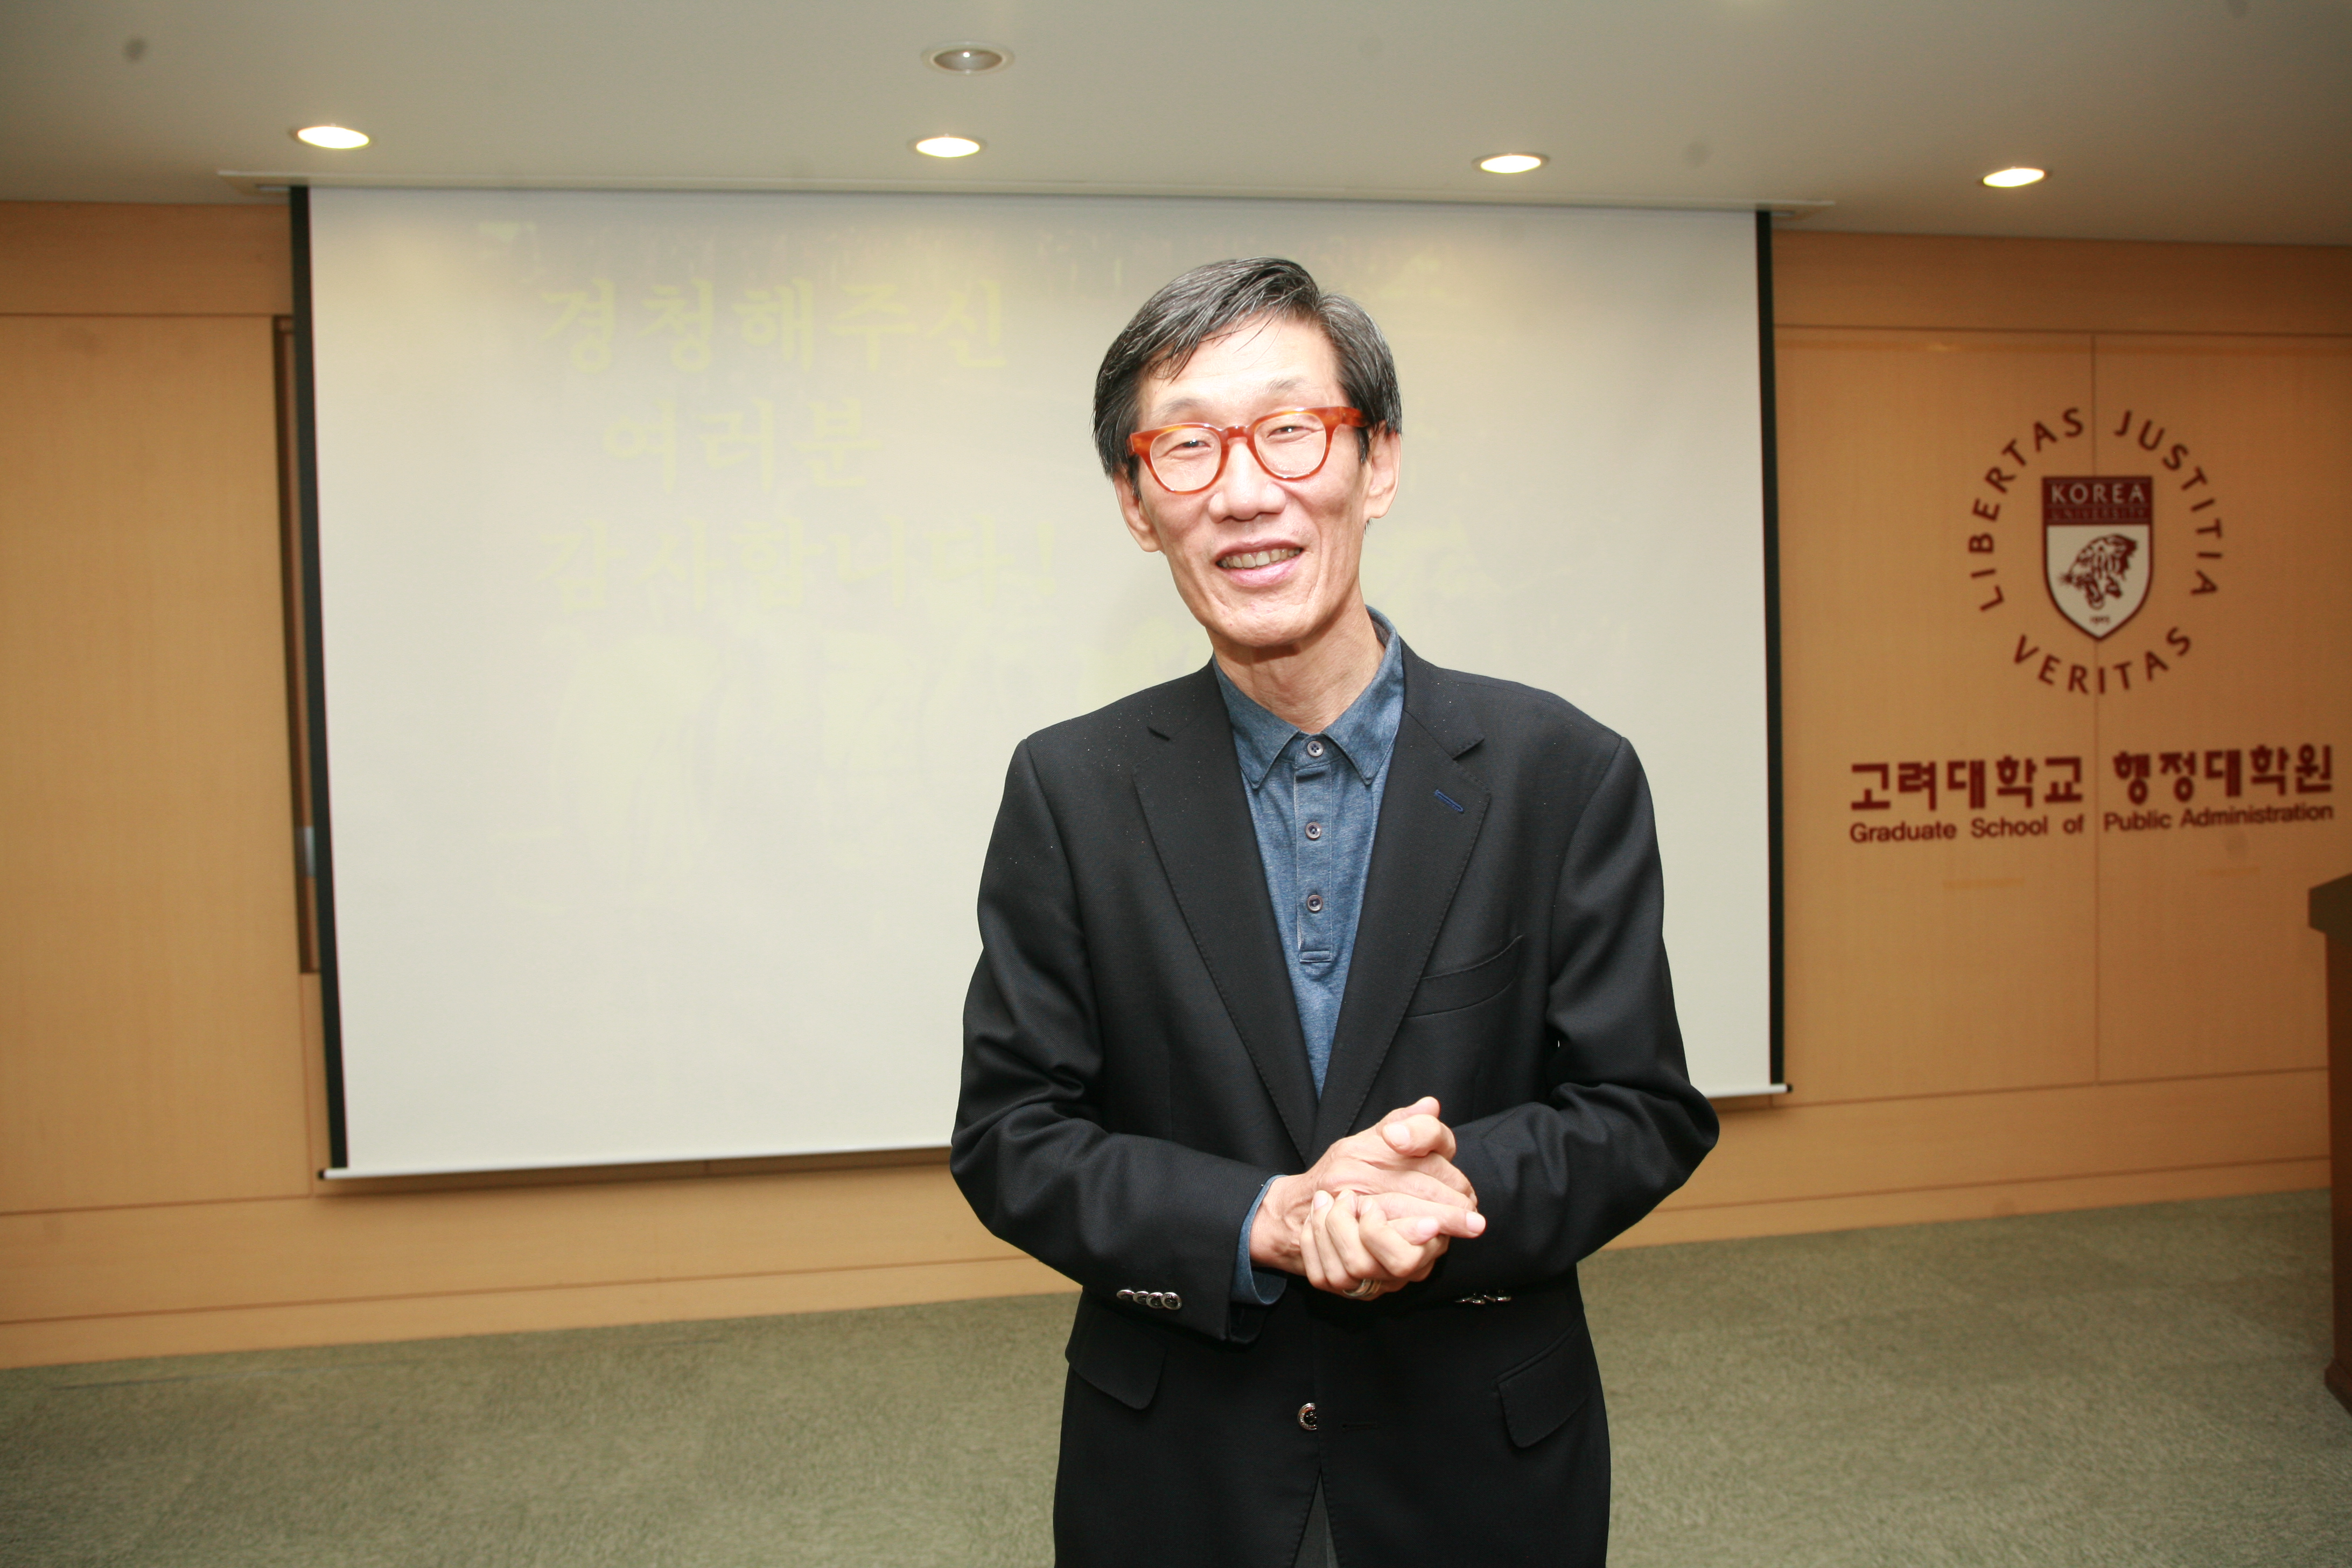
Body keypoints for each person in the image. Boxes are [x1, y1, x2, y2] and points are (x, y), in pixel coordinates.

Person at [951, 257, 1718, 1567]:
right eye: (1186, 447)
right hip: (1177, 1468)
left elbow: (1641, 1110)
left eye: (1292, 431)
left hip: (1478, 1462)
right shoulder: (1071, 789)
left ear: (1380, 463)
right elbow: (1013, 1136)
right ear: (1136, 504)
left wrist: (1442, 1192)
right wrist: (1264, 1216)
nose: (1246, 491)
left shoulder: (1562, 771)